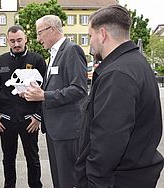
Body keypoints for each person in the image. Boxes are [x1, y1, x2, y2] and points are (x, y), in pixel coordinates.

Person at [74, 5, 164, 188]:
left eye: (90, 36)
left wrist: (93, 181)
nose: (89, 43)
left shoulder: (117, 74)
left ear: (103, 34)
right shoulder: (135, 63)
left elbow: (108, 141)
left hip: (117, 180)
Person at [23, 15, 88, 188]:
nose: (38, 39)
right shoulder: (54, 53)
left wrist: (44, 95)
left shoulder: (71, 50)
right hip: (54, 130)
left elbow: (80, 89)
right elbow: (55, 85)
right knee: (60, 179)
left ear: (52, 29)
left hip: (67, 130)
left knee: (69, 180)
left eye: (40, 33)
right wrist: (33, 91)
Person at [0, 25, 46, 188]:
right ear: (8, 41)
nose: (16, 44)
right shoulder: (0, 61)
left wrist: (38, 116)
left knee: (33, 158)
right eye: (12, 41)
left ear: (25, 39)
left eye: (19, 40)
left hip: (29, 120)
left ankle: (35, 185)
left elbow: (45, 90)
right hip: (6, 120)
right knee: (8, 158)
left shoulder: (37, 60)